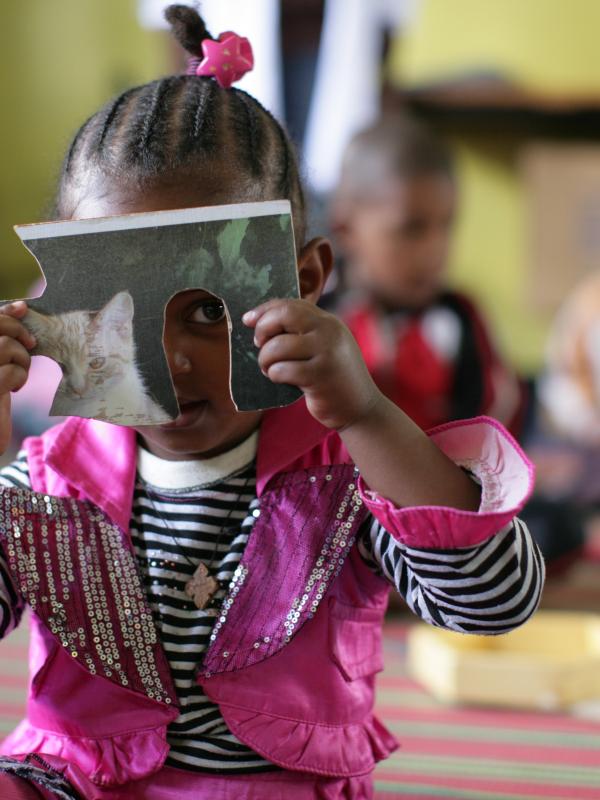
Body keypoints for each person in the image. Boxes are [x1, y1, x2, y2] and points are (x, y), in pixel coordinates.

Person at [0, 7, 543, 799]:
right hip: (77, 781)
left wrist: (366, 415)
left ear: (306, 281)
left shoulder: (349, 474)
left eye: (210, 311)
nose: (173, 358)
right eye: (121, 310)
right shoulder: (49, 480)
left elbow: (491, 602)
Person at [330, 113, 527, 437]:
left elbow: (494, 423)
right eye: (412, 228)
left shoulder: (462, 317)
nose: (437, 250)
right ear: (346, 228)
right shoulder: (321, 319)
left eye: (447, 226)